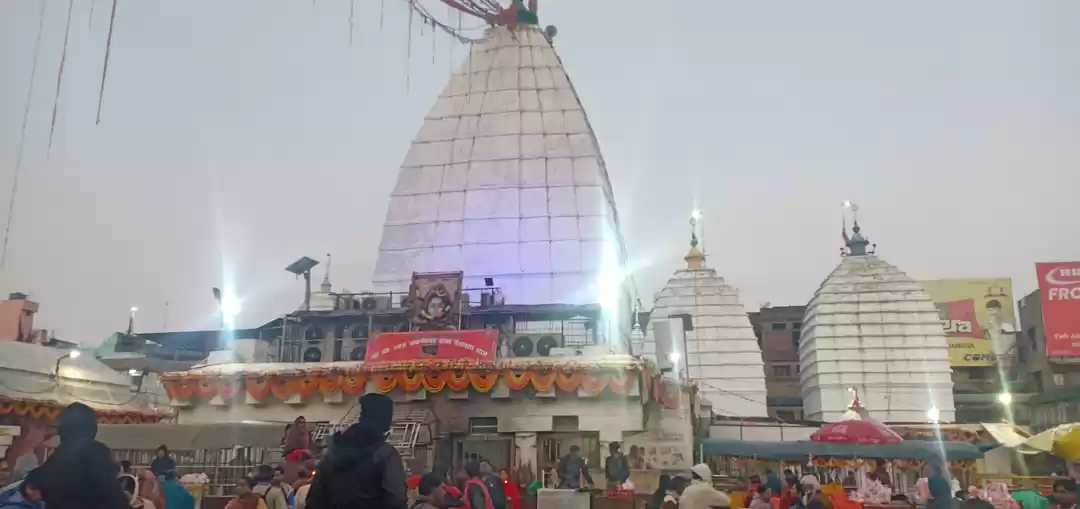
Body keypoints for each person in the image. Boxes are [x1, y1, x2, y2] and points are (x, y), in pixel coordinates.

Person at [305, 393, 407, 509]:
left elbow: (314, 500)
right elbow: (395, 501)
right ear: (386, 421)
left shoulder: (333, 451)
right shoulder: (386, 454)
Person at [36, 402, 132, 509]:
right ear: (89, 426)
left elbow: (36, 484)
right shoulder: (94, 450)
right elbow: (111, 493)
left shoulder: (56, 455)